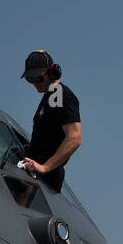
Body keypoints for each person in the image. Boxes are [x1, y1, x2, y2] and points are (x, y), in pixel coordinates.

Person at [19, 49, 81, 194]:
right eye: (30, 79)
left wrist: (44, 167)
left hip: (45, 177)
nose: (34, 83)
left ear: (53, 73)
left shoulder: (61, 94)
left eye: (38, 78)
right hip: (35, 172)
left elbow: (74, 138)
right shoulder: (51, 95)